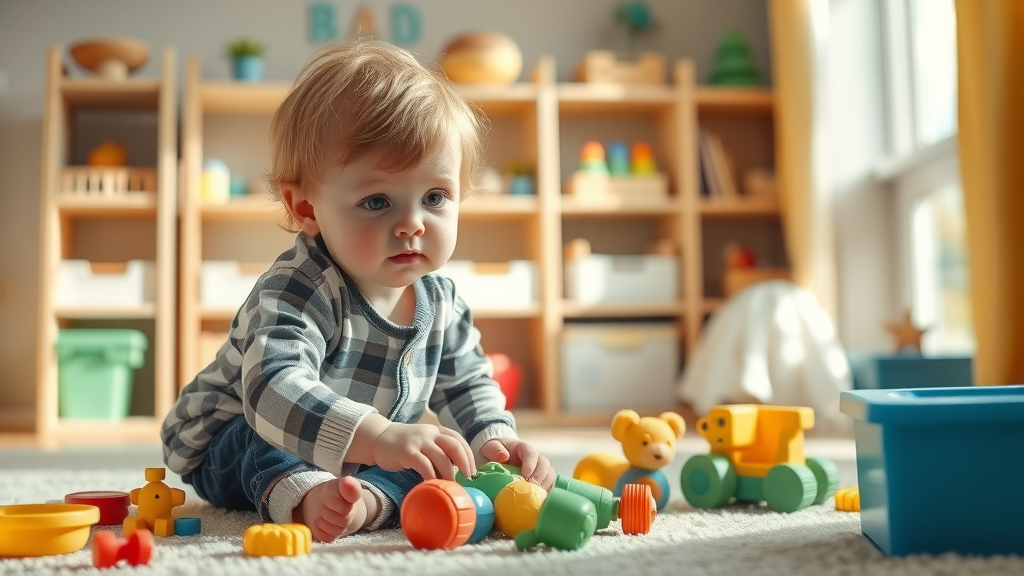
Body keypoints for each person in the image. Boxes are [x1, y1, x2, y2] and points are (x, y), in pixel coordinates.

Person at [160, 38, 554, 543]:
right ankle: (301, 492)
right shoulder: (299, 287)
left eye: (435, 197)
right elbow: (271, 391)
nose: (412, 224)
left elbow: (466, 384)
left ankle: (366, 502)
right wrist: (381, 436)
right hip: (230, 436)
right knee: (266, 434)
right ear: (306, 209)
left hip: (359, 449)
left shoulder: (441, 299)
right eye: (376, 202)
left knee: (438, 454)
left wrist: (497, 442)